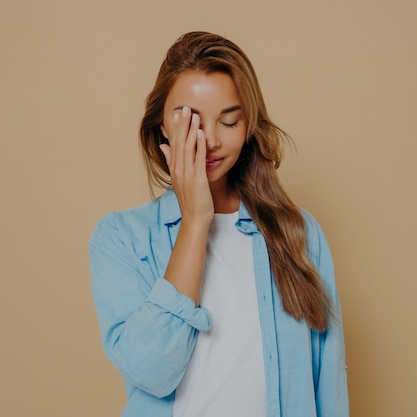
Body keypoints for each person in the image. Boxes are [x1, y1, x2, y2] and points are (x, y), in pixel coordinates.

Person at [89, 31, 349, 417]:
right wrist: (195, 220)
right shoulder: (121, 238)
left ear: (248, 130)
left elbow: (328, 382)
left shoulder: (300, 234)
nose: (208, 140)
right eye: (189, 120)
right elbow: (152, 371)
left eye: (228, 122)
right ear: (161, 123)